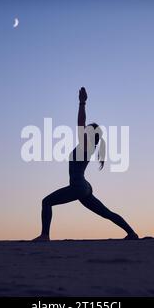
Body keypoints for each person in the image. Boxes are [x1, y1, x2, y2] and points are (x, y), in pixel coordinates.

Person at [33, 87, 139, 241]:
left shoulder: (86, 145)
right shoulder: (89, 147)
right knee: (106, 213)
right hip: (84, 187)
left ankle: (44, 236)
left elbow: (80, 122)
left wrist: (82, 103)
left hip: (78, 186)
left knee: (46, 202)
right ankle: (132, 233)